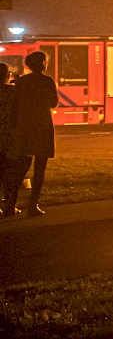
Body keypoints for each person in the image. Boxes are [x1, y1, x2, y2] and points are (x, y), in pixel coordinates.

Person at [8, 51, 59, 217]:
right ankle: (33, 205)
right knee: (39, 169)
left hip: (25, 126)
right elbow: (53, 102)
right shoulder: (47, 81)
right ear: (42, 64)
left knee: (20, 168)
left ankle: (10, 204)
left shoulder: (22, 82)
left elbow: (14, 105)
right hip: (42, 126)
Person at [0, 63, 18, 217]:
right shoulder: (13, 92)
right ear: (7, 76)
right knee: (10, 173)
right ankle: (9, 205)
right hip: (9, 137)